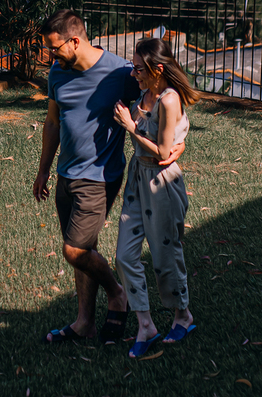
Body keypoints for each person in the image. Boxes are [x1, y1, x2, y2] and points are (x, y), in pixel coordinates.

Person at [34, 10, 182, 345]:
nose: (50, 55)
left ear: (75, 40)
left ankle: (117, 294)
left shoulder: (120, 72)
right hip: (65, 173)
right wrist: (44, 168)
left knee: (74, 249)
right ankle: (84, 321)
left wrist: (179, 140)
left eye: (55, 47)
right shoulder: (58, 72)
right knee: (84, 253)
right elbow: (53, 121)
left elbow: (165, 93)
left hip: (100, 175)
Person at [112, 37, 199, 359]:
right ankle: (145, 324)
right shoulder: (144, 93)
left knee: (165, 256)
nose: (133, 73)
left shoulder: (168, 99)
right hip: (138, 178)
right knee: (124, 255)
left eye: (138, 68)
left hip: (162, 184)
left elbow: (164, 151)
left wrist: (130, 127)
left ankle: (182, 316)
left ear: (157, 69)